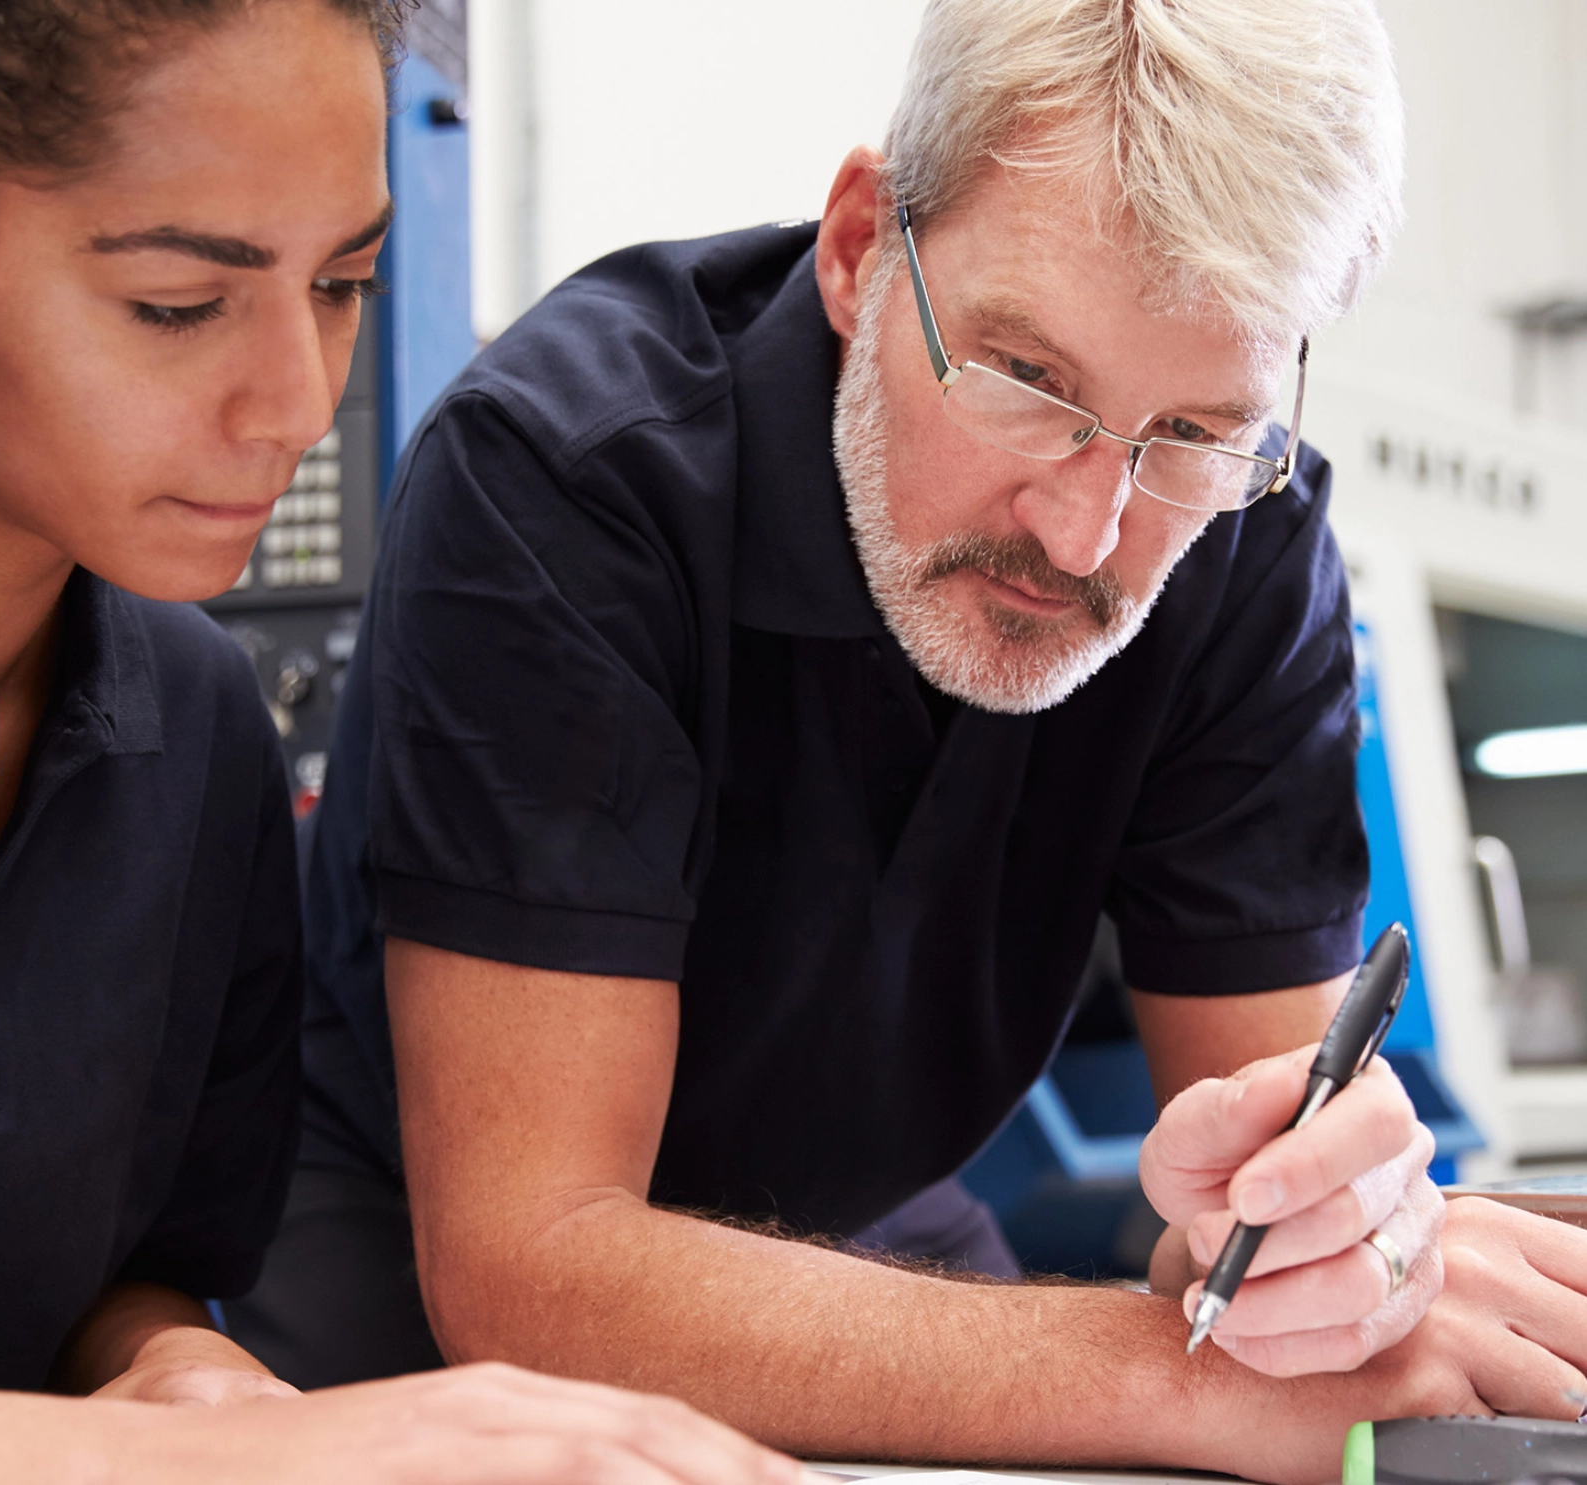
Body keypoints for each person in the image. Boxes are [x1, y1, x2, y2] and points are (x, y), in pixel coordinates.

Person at [243, 0, 1587, 1479]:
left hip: (867, 1223)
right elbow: (538, 1262)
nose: (1090, 534)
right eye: (1027, 381)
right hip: (419, 1243)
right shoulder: (569, 482)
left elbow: (1262, 1223)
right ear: (858, 247)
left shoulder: (1243, 542)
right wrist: (1184, 1380)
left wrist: (1327, 1251)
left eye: (1196, 433)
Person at [0, 0, 802, 1480]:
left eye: (344, 282)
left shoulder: (193, 720)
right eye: (180, 304)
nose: (299, 401)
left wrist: (175, 1368)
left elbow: (127, 1279)